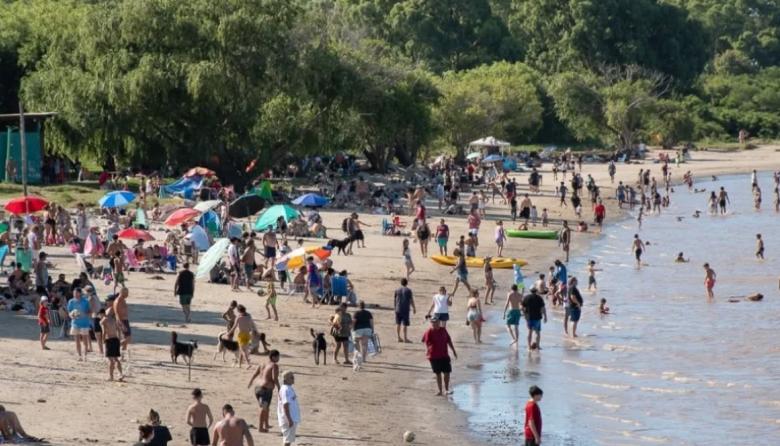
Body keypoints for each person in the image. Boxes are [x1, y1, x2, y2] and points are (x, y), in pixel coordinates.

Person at [421, 316, 457, 396]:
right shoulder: (429, 331)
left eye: (436, 322)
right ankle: (440, 390)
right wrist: (427, 350)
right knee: (438, 373)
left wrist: (453, 351)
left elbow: (449, 340)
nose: (435, 324)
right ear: (431, 323)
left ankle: (446, 389)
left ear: (439, 322)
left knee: (447, 372)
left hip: (444, 355)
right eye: (433, 322)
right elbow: (424, 340)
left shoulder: (443, 330)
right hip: (434, 356)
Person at [247, 350, 280, 433]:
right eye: (278, 357)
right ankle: (260, 428)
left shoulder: (262, 363)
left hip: (257, 388)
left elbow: (255, 374)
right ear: (273, 357)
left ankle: (266, 424)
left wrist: (250, 382)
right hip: (266, 389)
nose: (279, 358)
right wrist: (279, 388)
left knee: (266, 407)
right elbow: (274, 378)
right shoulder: (274, 365)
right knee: (263, 408)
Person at [67, 287, 92, 361]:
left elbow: (90, 311)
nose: (75, 294)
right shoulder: (71, 301)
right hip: (75, 323)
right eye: (74, 293)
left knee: (85, 340)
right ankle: (79, 356)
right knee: (77, 340)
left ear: (80, 293)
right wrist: (72, 315)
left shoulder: (85, 301)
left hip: (84, 323)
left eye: (76, 293)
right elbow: (69, 312)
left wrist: (85, 313)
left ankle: (85, 356)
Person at [100, 307, 124, 381]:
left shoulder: (103, 321)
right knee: (116, 359)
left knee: (110, 360)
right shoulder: (114, 319)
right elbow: (119, 330)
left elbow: (104, 332)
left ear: (102, 314)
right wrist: (119, 339)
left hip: (109, 339)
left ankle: (111, 376)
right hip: (116, 339)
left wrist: (103, 340)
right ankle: (120, 374)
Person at [277, 371, 301, 446]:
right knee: (287, 440)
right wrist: (289, 419)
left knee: (288, 440)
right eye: (291, 377)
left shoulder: (288, 388)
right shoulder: (285, 389)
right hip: (288, 419)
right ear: (285, 379)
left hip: (291, 418)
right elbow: (285, 405)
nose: (293, 379)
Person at [394, 278, 416, 343]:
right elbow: (411, 300)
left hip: (398, 308)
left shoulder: (397, 290)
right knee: (405, 324)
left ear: (401, 283)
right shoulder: (408, 290)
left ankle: (398, 337)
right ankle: (405, 338)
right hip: (405, 309)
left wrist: (395, 308)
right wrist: (414, 308)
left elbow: (395, 300)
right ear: (407, 283)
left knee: (398, 323)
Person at [114, 287, 132, 353]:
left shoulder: (123, 300)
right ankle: (114, 347)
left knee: (125, 339)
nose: (127, 295)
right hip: (122, 321)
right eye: (126, 293)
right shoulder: (118, 301)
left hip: (125, 320)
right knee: (128, 338)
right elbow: (117, 314)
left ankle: (122, 355)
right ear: (122, 293)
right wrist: (121, 324)